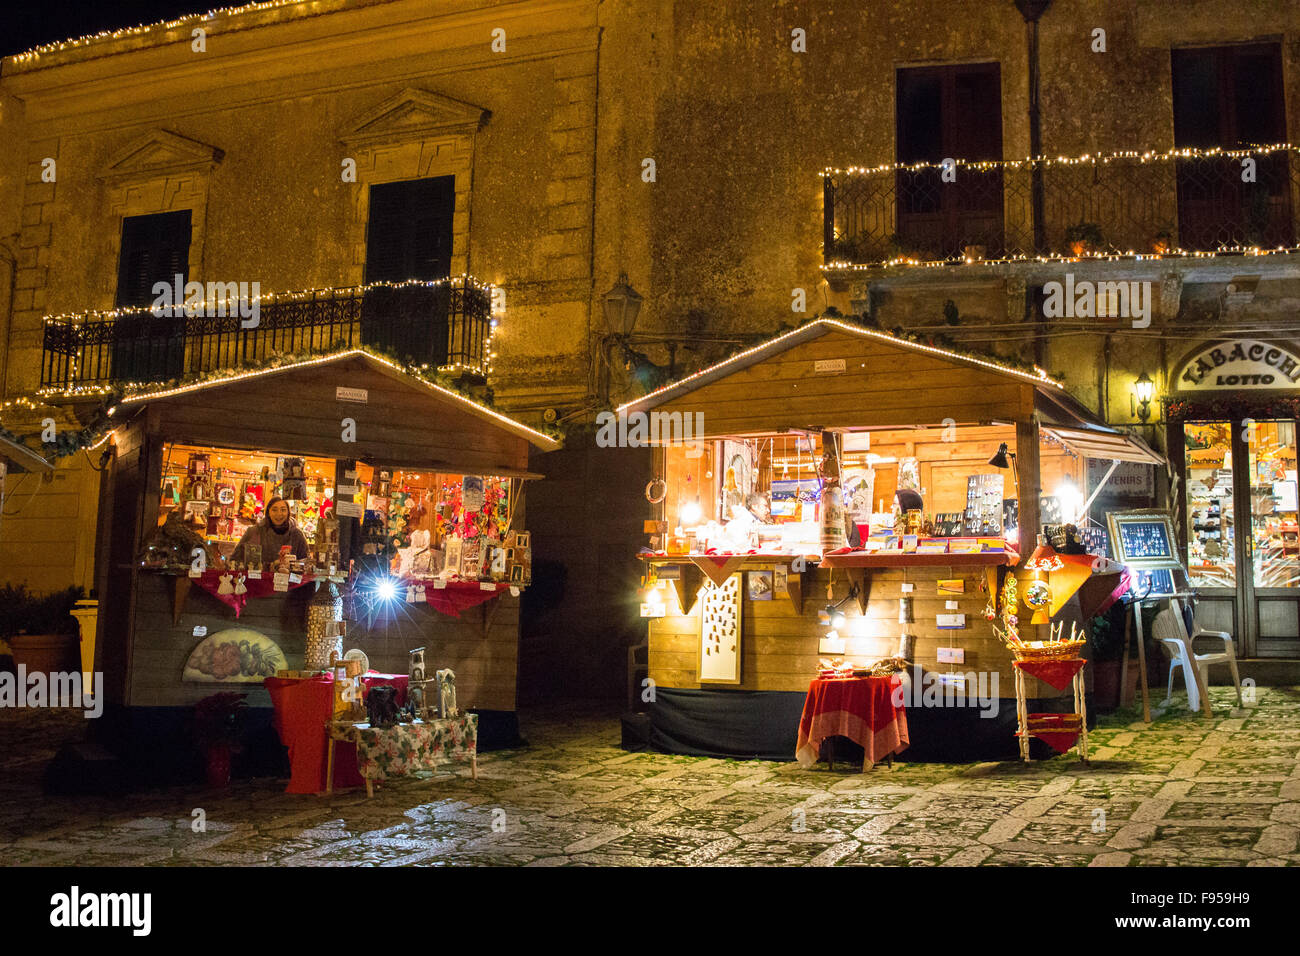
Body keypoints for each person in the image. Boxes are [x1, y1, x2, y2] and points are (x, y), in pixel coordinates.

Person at [230, 496, 309, 566]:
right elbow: (235, 558)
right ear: (268, 512)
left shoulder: (296, 534)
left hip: (289, 581)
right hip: (257, 580)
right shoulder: (254, 531)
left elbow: (306, 562)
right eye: (274, 510)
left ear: (288, 512)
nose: (279, 514)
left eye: (283, 510)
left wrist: (292, 566)